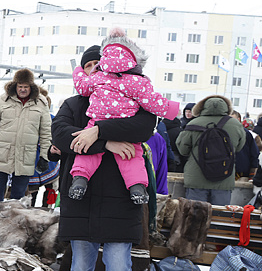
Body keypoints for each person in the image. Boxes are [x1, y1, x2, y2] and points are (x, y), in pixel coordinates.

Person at [51, 44, 158, 271]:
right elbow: (60, 135)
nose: (93, 69)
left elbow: (144, 127)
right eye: (88, 66)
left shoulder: (134, 101)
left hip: (120, 199)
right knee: (80, 270)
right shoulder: (73, 104)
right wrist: (106, 143)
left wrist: (98, 131)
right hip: (81, 199)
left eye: (97, 64)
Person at [68, 28, 179, 205]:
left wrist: (78, 71)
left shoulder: (98, 78)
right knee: (132, 155)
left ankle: (80, 179)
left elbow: (81, 85)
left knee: (86, 150)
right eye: (87, 65)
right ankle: (137, 187)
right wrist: (172, 109)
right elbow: (152, 101)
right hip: (125, 123)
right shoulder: (138, 81)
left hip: (97, 120)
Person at [0, 68, 51, 202]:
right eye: (20, 86)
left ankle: (14, 216)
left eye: (26, 87)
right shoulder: (3, 100)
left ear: (31, 87)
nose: (23, 90)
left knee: (19, 196)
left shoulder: (41, 103)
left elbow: (46, 132)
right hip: (1, 154)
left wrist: (44, 156)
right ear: (15, 86)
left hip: (25, 156)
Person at [176, 95, 246, 206]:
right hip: (224, 177)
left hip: (196, 178)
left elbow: (183, 149)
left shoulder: (193, 123)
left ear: (202, 107)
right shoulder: (236, 125)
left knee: (195, 214)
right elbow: (238, 147)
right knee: (219, 214)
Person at [231, 110, 260, 178]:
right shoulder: (221, 133)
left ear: (238, 120)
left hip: (242, 173)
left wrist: (253, 172)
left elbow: (254, 154)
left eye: (233, 120)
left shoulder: (245, 133)